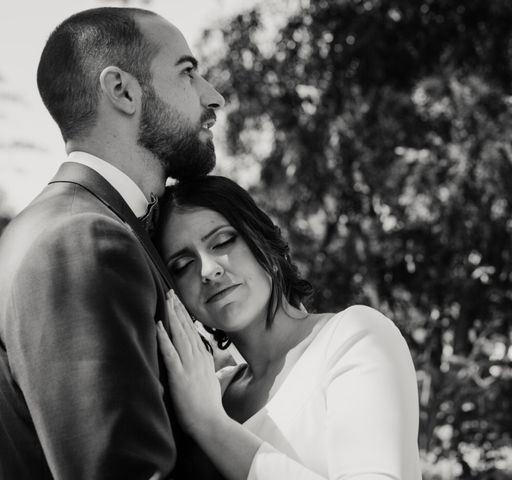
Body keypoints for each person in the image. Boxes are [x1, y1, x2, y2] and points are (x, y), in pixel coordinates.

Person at [0, 7, 225, 479]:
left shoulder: (76, 226)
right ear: (122, 91)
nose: (214, 95)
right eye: (188, 73)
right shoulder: (82, 240)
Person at [154, 175, 421, 480]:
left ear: (263, 241)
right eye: (182, 265)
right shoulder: (206, 393)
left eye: (223, 241)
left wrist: (210, 425)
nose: (209, 270)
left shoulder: (354, 337)